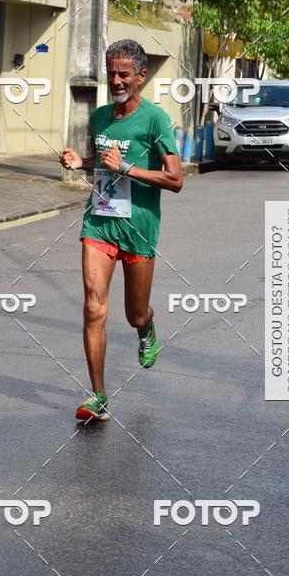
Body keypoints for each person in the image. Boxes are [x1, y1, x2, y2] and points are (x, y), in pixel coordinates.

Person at [61, 39, 183, 421]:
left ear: (141, 77)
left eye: (123, 74)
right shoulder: (99, 118)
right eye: (111, 73)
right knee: (93, 308)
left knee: (133, 313)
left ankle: (146, 328)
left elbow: (176, 179)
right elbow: (101, 160)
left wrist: (127, 169)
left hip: (139, 229)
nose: (115, 80)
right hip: (99, 220)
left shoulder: (155, 120)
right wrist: (82, 161)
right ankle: (98, 396)